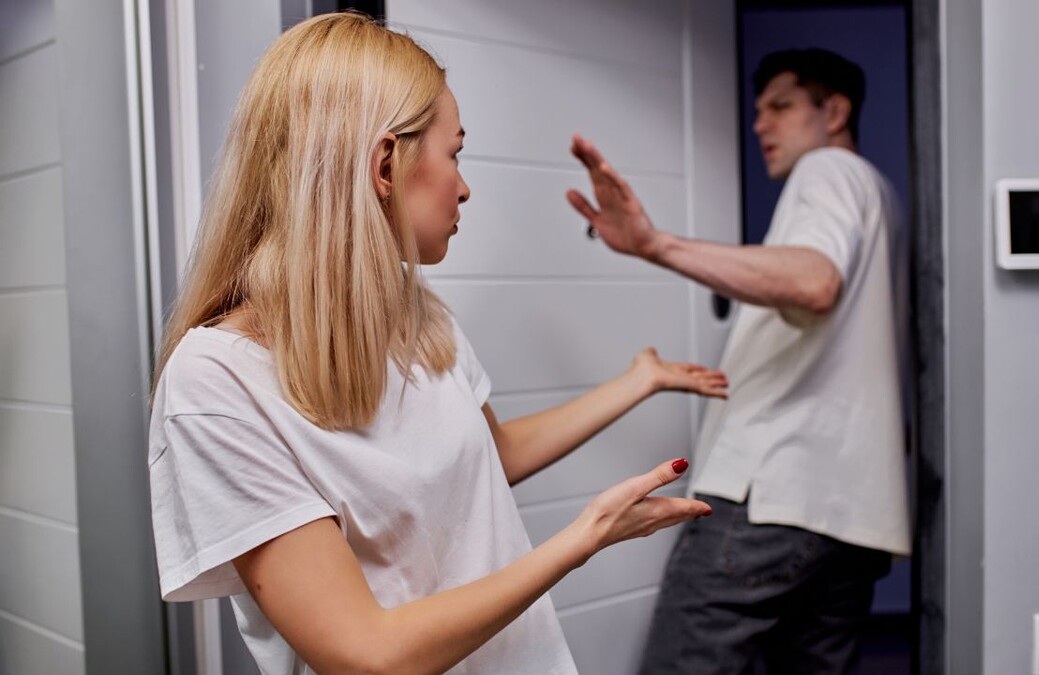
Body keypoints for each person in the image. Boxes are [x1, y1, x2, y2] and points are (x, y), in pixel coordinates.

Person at [147, 12, 728, 675]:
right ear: (385, 164)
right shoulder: (215, 381)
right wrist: (585, 537)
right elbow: (368, 652)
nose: (465, 186)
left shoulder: (418, 316)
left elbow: (493, 453)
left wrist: (638, 380)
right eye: (455, 154)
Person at [567, 48, 910, 674]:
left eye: (781, 106)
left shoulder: (828, 170)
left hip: (771, 497)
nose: (760, 124)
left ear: (835, 112)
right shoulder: (878, 191)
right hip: (851, 515)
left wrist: (654, 244)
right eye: (758, 111)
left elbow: (814, 282)